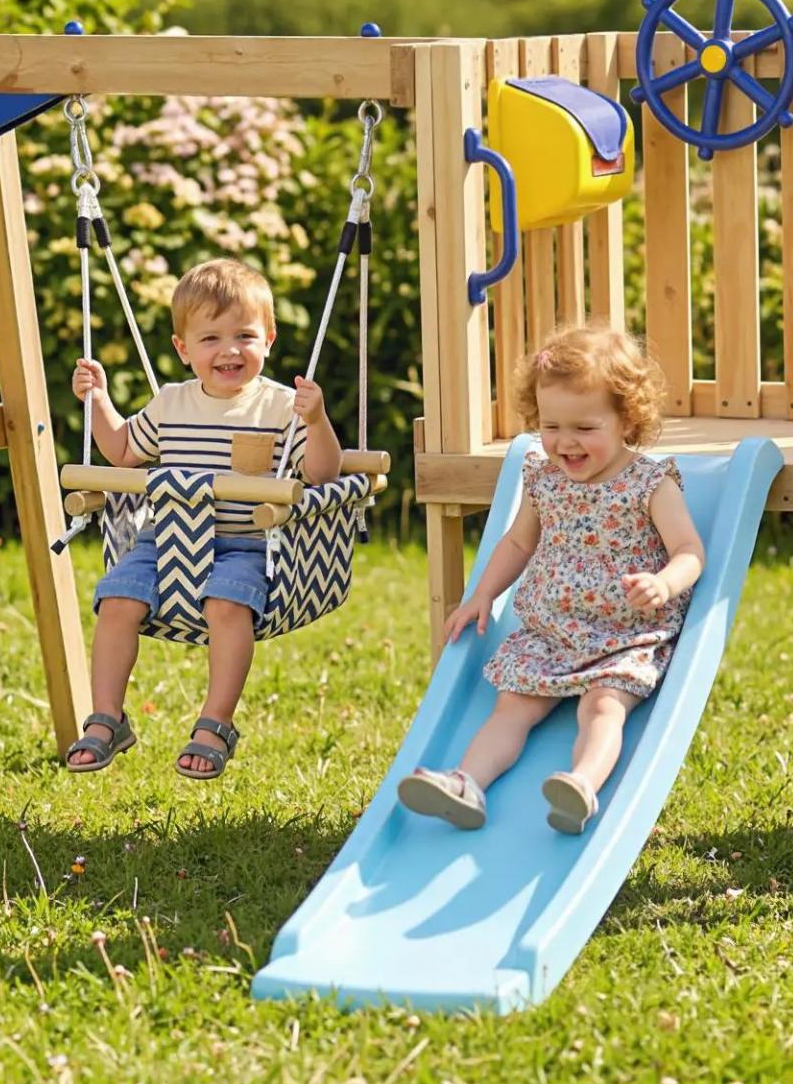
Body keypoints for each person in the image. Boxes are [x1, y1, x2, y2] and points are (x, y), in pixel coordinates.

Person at [398, 322, 703, 835]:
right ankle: (466, 783)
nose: (566, 442)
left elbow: (689, 550)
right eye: (552, 425)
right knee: (511, 706)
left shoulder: (650, 483)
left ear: (626, 420)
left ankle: (581, 785)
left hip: (624, 635)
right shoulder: (543, 477)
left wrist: (666, 583)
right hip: (552, 633)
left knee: (604, 707)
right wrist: (483, 594)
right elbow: (518, 542)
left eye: (585, 429)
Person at [62, 257, 341, 781]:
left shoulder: (283, 407)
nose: (229, 350)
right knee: (116, 600)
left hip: (249, 543)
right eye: (210, 339)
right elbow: (122, 452)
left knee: (227, 604)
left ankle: (215, 724)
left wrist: (317, 419)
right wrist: (97, 400)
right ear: (183, 349)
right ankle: (106, 719)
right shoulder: (171, 402)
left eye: (244, 335)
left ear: (269, 339)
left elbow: (324, 474)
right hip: (163, 542)